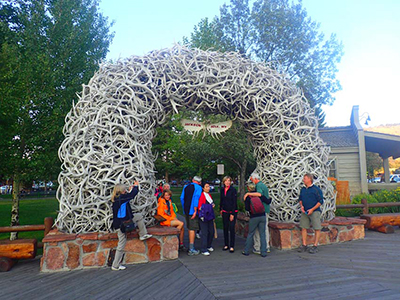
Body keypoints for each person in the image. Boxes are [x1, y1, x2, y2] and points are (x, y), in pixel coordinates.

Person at [111, 182, 152, 271]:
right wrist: (136, 186)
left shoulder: (117, 198)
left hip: (124, 221)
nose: (125, 190)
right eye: (124, 189)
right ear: (121, 191)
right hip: (122, 224)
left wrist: (130, 190)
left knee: (139, 216)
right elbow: (132, 195)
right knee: (121, 244)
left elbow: (129, 196)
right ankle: (115, 265)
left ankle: (142, 234)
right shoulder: (121, 199)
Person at [244, 172, 271, 254]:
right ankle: (266, 247)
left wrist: (248, 193)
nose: (251, 180)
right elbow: (267, 198)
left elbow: (259, 194)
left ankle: (257, 247)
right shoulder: (263, 185)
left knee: (256, 231)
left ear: (255, 178)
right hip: (264, 210)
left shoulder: (258, 185)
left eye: (251, 178)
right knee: (264, 230)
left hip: (258, 211)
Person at [297, 173, 324, 254]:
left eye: (304, 178)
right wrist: (301, 206)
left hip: (314, 211)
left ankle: (315, 245)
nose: (303, 180)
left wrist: (312, 209)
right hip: (305, 211)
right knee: (303, 227)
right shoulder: (303, 189)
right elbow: (300, 199)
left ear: (309, 179)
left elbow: (320, 201)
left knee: (317, 228)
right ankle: (304, 245)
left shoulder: (316, 189)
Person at [180, 176, 202, 255]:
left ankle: (189, 246)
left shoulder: (185, 187)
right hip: (193, 211)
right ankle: (191, 248)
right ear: (199, 182)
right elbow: (196, 198)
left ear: (193, 180)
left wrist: (184, 208)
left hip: (186, 210)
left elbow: (182, 198)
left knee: (189, 228)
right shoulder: (198, 188)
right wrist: (195, 210)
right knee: (192, 229)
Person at [220, 176, 238, 253]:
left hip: (232, 211)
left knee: (231, 228)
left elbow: (234, 203)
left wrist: (232, 214)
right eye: (226, 181)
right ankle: (226, 244)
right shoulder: (222, 190)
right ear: (224, 182)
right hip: (224, 211)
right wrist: (220, 209)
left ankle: (232, 245)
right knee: (225, 228)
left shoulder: (233, 190)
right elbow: (221, 200)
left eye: (228, 181)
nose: (227, 182)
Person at [198, 182, 215, 256]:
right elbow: (200, 207)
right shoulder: (202, 196)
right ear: (203, 188)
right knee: (204, 232)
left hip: (210, 216)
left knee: (211, 231)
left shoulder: (209, 195)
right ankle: (203, 248)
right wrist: (210, 207)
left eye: (209, 186)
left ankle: (208, 245)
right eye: (207, 186)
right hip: (204, 216)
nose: (208, 188)